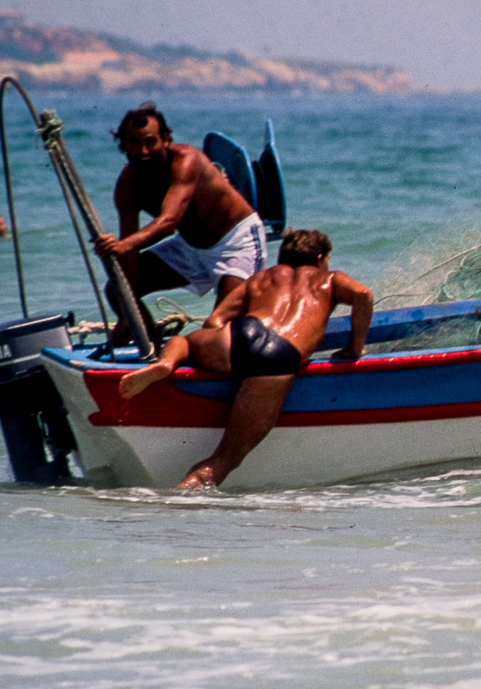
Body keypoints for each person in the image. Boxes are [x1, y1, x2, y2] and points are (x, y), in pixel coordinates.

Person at [118, 229, 372, 490]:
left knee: (185, 341)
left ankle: (166, 364)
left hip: (241, 334)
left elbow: (213, 320)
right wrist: (354, 349)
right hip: (279, 356)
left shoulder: (261, 278)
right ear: (321, 258)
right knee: (224, 459)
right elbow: (363, 296)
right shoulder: (330, 279)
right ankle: (178, 502)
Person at [93, 101, 266, 338]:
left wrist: (123, 246)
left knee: (220, 329)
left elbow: (169, 222)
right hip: (191, 248)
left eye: (150, 141)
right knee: (117, 291)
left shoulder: (185, 161)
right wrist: (128, 313)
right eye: (134, 143)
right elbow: (129, 253)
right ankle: (152, 350)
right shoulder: (128, 186)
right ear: (124, 145)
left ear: (165, 139)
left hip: (236, 243)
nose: (143, 151)